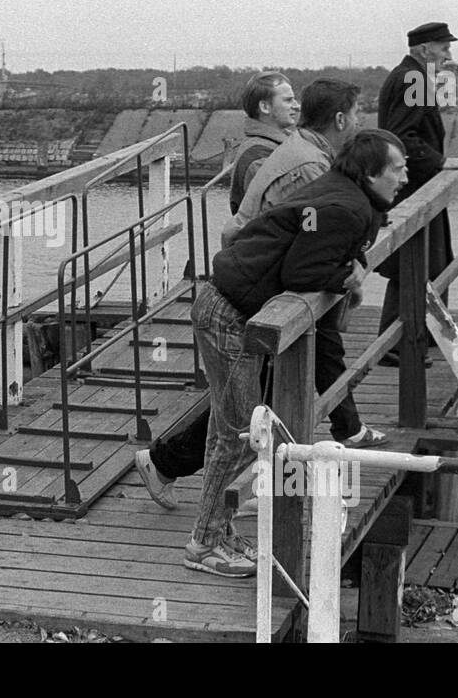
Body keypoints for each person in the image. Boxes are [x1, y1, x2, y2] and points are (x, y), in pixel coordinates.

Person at [136, 79, 384, 512]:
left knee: (250, 404)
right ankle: (222, 499)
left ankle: (187, 472)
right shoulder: (300, 163)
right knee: (247, 413)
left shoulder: (302, 152)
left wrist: (348, 262)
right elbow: (305, 244)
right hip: (254, 297)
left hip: (260, 293)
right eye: (286, 98)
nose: (294, 105)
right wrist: (348, 270)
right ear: (341, 119)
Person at [182, 129, 408, 578]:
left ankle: (216, 534)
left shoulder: (340, 192)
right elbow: (302, 269)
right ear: (369, 173)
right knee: (242, 437)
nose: (404, 177)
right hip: (228, 316)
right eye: (397, 169)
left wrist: (350, 265)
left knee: (230, 434)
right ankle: (204, 543)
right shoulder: (345, 207)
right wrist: (348, 276)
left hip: (225, 305)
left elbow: (311, 252)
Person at [376, 22, 458, 366]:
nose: (448, 55)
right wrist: (441, 162)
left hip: (414, 183)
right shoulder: (410, 79)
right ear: (423, 50)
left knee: (422, 263)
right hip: (413, 186)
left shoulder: (410, 76)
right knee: (415, 265)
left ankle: (410, 336)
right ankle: (397, 343)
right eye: (443, 48)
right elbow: (402, 136)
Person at [227, 72, 298, 213]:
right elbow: (287, 216)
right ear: (265, 107)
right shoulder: (259, 158)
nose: (297, 106)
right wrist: (313, 228)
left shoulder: (278, 146)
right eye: (288, 100)